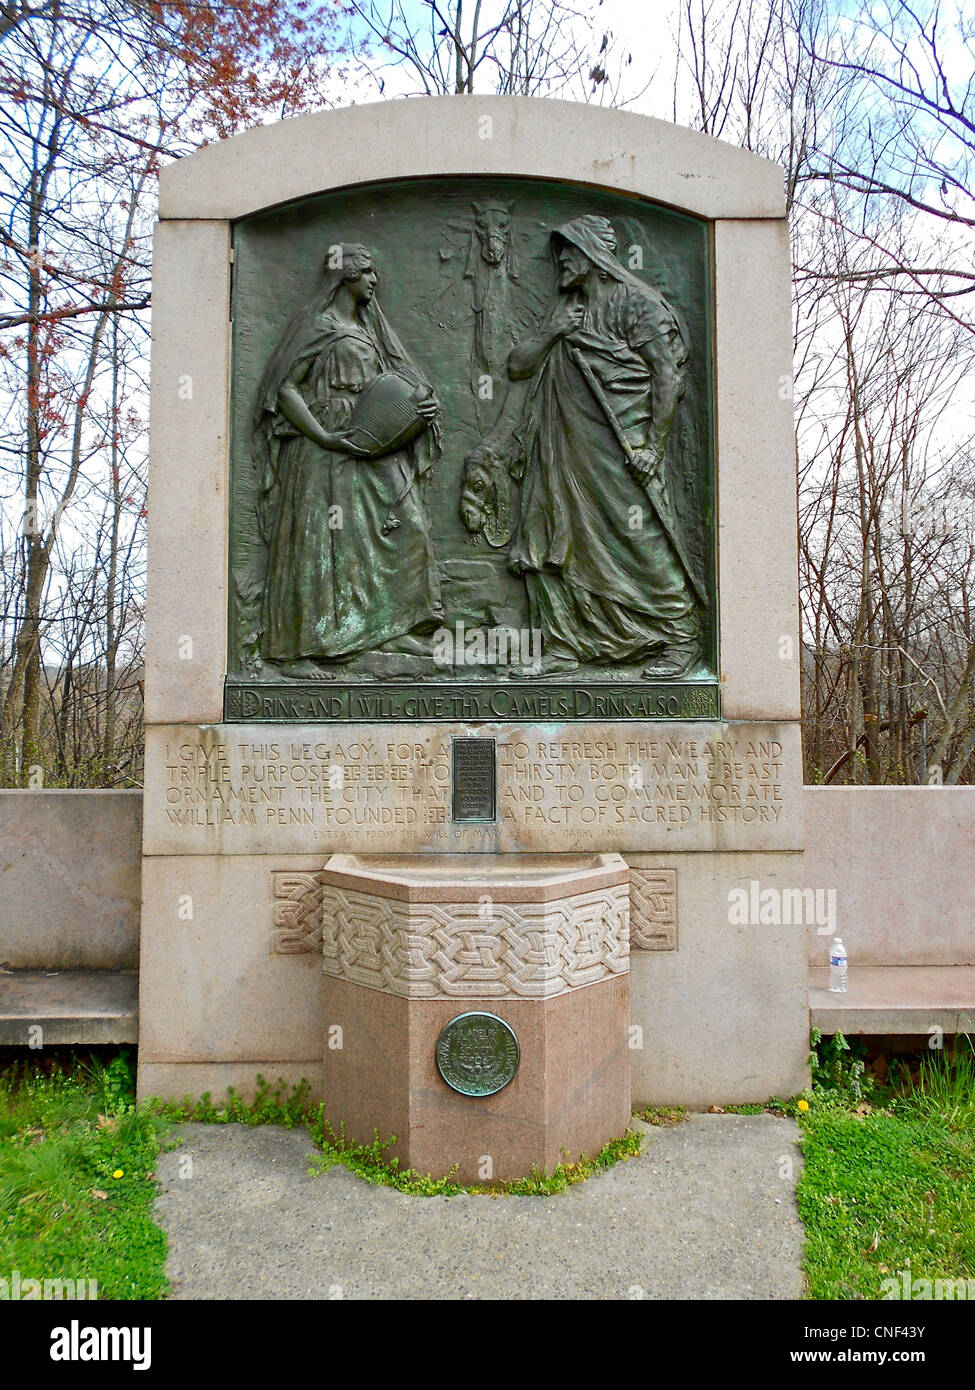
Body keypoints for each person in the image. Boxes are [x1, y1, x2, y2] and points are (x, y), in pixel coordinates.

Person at [495, 214, 703, 677]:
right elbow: (517, 366)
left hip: (619, 448)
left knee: (637, 536)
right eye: (557, 254)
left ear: (591, 255)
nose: (560, 262)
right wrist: (552, 331)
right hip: (562, 450)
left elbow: (667, 376)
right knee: (553, 534)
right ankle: (566, 642)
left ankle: (681, 633)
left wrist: (653, 446)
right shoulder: (563, 310)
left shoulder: (636, 304)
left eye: (567, 252)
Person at [253, 244, 444, 674]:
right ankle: (300, 650)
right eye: (369, 272)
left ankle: (392, 626)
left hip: (370, 439)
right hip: (325, 444)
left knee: (407, 526)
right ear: (347, 276)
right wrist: (324, 436)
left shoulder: (368, 331)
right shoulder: (317, 325)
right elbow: (283, 389)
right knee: (322, 542)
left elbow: (388, 388)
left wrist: (418, 408)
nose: (375, 281)